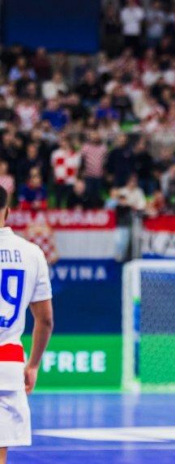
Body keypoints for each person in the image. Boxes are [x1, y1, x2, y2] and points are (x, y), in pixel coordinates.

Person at [0, 186, 54, 464]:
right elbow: (45, 320)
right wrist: (32, 364)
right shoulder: (31, 253)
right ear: (7, 212)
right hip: (7, 365)